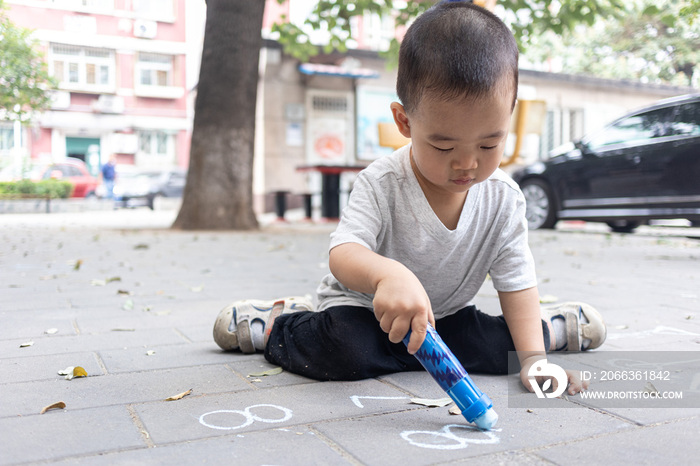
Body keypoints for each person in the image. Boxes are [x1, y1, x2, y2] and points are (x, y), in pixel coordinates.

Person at [213, 2, 606, 396]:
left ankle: (547, 330)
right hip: (363, 314)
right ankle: (282, 321)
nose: (467, 163)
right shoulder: (382, 181)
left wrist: (534, 362)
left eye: (490, 143)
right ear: (405, 122)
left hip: (443, 320)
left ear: (508, 117)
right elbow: (343, 252)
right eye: (442, 145)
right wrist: (388, 274)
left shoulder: (504, 199)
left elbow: (516, 281)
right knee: (346, 352)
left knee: (500, 347)